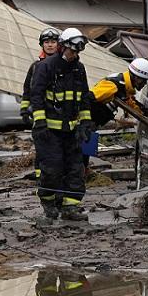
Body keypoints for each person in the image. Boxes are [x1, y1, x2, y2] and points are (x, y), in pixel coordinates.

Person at [29, 28, 95, 221]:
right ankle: (48, 203)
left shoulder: (78, 69)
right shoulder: (46, 67)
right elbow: (36, 96)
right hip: (49, 132)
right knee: (52, 170)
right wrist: (39, 123)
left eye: (77, 52)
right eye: (71, 51)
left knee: (75, 170)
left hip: (71, 131)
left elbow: (83, 98)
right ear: (63, 46)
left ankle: (70, 208)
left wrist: (85, 123)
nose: (74, 55)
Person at [20, 27, 61, 184]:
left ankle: (56, 178)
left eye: (53, 42)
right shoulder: (35, 66)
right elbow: (27, 90)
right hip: (40, 114)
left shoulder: (65, 64)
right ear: (42, 45)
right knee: (42, 148)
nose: (50, 45)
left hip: (59, 115)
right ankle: (41, 179)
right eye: (46, 42)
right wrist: (24, 110)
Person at [89, 58, 148, 126]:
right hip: (84, 124)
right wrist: (84, 121)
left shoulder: (124, 86)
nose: (145, 83)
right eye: (144, 80)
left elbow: (131, 103)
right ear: (136, 77)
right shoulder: (113, 86)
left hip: (93, 124)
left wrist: (146, 113)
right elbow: (88, 99)